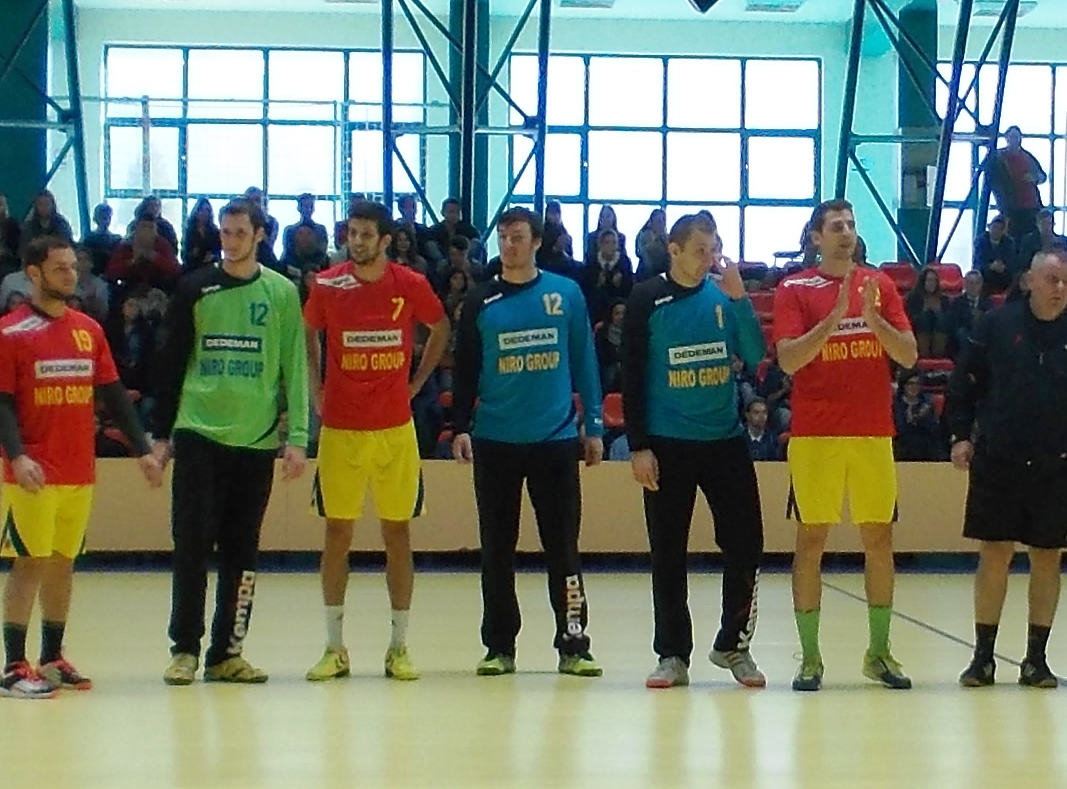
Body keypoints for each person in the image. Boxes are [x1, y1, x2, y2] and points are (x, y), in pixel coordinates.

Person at [0, 238, 168, 697]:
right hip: (33, 472)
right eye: (60, 268)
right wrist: (17, 455)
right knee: (29, 563)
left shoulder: (88, 330)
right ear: (34, 273)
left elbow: (113, 393)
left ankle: (52, 657)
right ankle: (13, 666)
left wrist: (142, 449)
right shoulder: (8, 333)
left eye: (72, 266)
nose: (71, 275)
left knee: (63, 564)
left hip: (77, 470)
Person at [156, 197, 314, 685]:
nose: (230, 241)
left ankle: (227, 652)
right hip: (199, 431)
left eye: (240, 233)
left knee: (242, 551)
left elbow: (294, 365)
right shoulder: (195, 288)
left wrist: (298, 437)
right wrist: (162, 435)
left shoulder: (282, 292)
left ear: (260, 235)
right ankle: (185, 649)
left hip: (256, 439)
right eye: (225, 232)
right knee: (191, 543)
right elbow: (171, 361)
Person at [766, 198, 919, 690]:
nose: (846, 232)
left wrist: (875, 321)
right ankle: (810, 657)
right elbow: (789, 360)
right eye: (836, 226)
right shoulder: (795, 288)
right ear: (816, 236)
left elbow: (909, 355)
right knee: (811, 540)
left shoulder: (880, 285)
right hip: (816, 434)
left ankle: (879, 653)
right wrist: (832, 319)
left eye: (851, 225)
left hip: (872, 430)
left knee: (879, 539)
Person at [449, 205, 605, 677]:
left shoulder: (566, 294)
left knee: (564, 548)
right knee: (497, 549)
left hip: (555, 439)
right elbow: (466, 367)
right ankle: (499, 646)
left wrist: (595, 426)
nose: (509, 245)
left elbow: (585, 360)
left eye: (518, 237)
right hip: (495, 439)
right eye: (503, 237)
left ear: (536, 242)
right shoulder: (481, 300)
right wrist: (460, 425)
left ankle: (574, 643)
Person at [948, 247, 1067, 690]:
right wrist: (961, 435)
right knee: (995, 555)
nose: (1060, 288)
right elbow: (962, 385)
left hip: (1053, 464)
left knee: (1047, 559)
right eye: (1051, 279)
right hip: (998, 459)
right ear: (1029, 281)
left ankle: (1036, 660)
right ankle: (983, 658)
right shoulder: (996, 325)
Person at [619, 210, 772, 689]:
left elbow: (756, 355)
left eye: (714, 249)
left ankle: (733, 644)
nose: (709, 258)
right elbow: (632, 373)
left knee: (746, 543)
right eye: (700, 250)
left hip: (724, 440)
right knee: (668, 550)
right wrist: (639, 445)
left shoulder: (724, 296)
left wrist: (741, 299)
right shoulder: (648, 297)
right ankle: (672, 653)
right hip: (667, 442)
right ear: (675, 251)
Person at [302, 200, 447, 682]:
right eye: (352, 232)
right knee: (337, 533)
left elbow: (441, 327)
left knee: (397, 533)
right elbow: (309, 330)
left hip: (394, 429)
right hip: (341, 428)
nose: (357, 241)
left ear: (386, 240)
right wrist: (316, 386)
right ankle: (334, 647)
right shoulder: (328, 284)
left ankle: (399, 647)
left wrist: (416, 384)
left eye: (366, 234)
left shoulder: (410, 284)